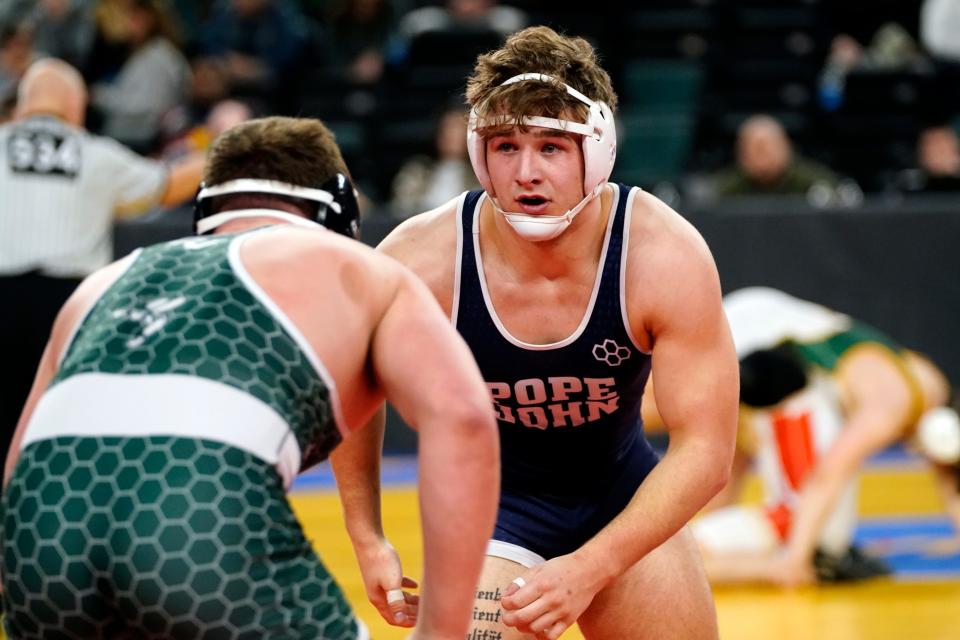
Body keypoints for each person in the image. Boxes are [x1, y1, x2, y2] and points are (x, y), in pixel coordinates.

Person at [1, 115, 500, 639]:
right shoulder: (356, 268)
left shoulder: (99, 287)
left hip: (42, 539)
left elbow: (19, 464)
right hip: (193, 521)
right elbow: (465, 420)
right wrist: (441, 630)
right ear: (341, 211)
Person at [336, 25, 739, 640]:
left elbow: (707, 453)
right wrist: (366, 536)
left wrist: (589, 568)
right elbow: (353, 390)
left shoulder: (661, 255)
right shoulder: (422, 260)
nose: (527, 172)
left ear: (597, 152)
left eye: (552, 146)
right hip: (497, 511)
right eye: (505, 147)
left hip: (623, 498)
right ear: (478, 156)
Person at [0, 58, 205, 478]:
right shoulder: (96, 154)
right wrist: (224, 149)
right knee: (64, 425)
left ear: (22, 105)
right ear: (75, 106)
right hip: (68, 306)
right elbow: (165, 187)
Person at [688, 286, 957, 586]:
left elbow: (951, 482)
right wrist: (795, 561)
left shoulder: (930, 389)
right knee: (809, 526)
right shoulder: (888, 406)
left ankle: (794, 552)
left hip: (757, 318)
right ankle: (786, 561)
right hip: (750, 330)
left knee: (741, 444)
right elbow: (828, 474)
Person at [712, 114, 841, 199]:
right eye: (754, 151)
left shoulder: (814, 182)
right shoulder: (726, 190)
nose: (760, 159)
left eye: (765, 150)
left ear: (785, 147)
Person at [390, 103, 480, 217]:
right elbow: (400, 208)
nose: (452, 135)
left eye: (459, 129)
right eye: (448, 128)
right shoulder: (417, 170)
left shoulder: (480, 176)